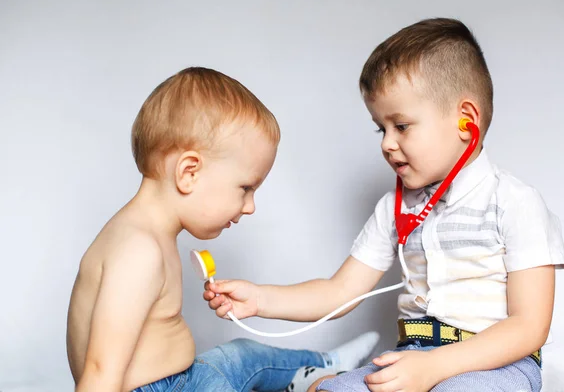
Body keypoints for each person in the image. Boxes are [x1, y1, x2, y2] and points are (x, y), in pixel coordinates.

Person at [204, 18, 564, 392]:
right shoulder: (393, 209)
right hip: (412, 355)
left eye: (402, 126)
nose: (387, 143)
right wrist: (260, 299)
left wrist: (434, 369)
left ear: (466, 121)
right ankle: (319, 380)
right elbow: (338, 292)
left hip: (496, 365)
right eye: (382, 128)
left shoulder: (515, 203)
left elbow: (530, 326)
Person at [66, 66, 380, 392]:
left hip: (186, 380)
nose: (250, 206)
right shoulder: (138, 250)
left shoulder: (141, 233)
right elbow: (101, 372)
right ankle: (325, 378)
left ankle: (326, 366)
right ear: (189, 173)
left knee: (241, 356)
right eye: (245, 188)